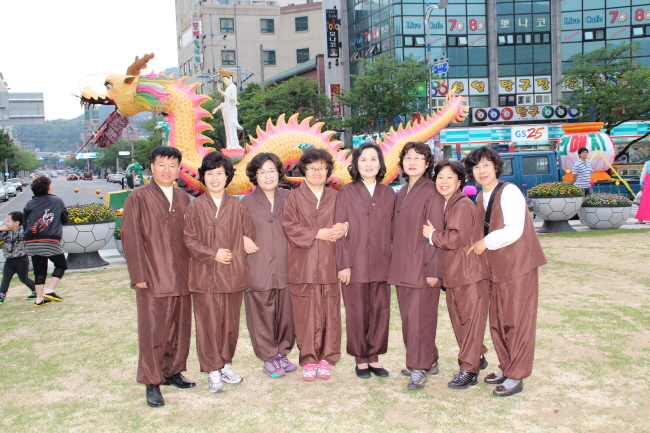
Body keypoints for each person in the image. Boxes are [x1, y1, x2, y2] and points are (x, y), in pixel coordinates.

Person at [465, 146, 547, 397]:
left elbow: (514, 229)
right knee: (499, 321)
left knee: (517, 321)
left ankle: (517, 374)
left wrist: (484, 243)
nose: (482, 171)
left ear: (496, 167)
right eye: (476, 167)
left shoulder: (509, 191)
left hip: (518, 266)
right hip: (497, 269)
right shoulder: (481, 197)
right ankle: (507, 367)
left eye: (486, 165)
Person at [122, 146, 195, 408]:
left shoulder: (185, 198)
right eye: (161, 164)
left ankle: (173, 371)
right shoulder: (138, 197)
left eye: (172, 165)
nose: (167, 170)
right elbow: (131, 237)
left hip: (183, 276)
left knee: (180, 328)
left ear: (178, 169)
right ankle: (152, 381)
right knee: (153, 331)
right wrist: (139, 274)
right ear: (151, 167)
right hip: (153, 276)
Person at [184, 151, 255, 393]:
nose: (215, 178)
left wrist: (243, 239)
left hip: (233, 275)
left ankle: (225, 364)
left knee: (230, 325)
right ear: (203, 177)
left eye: (220, 173)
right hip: (204, 276)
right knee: (208, 325)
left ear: (227, 177)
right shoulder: (195, 207)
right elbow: (189, 240)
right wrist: (212, 254)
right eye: (210, 174)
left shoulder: (237, 206)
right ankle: (212, 369)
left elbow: (249, 234)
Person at [422, 161, 490, 389]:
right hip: (456, 275)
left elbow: (455, 239)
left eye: (450, 177)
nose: (444, 181)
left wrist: (432, 234)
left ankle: (469, 369)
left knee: (468, 323)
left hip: (469, 275)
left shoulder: (462, 205)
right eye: (440, 177)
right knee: (461, 322)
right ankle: (477, 356)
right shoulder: (449, 203)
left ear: (459, 181)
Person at [281, 146, 346, 381]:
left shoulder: (336, 197)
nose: (317, 172)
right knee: (304, 313)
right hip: (303, 265)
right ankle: (308, 359)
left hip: (330, 263)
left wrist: (345, 227)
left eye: (321, 168)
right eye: (311, 168)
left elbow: (346, 223)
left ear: (328, 170)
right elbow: (290, 227)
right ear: (303, 170)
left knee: (330, 312)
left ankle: (328, 358)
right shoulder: (293, 198)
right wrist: (318, 233)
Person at [334, 142, 395, 379]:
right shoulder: (346, 193)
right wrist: (344, 264)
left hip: (382, 264)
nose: (368, 164)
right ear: (356, 164)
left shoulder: (388, 193)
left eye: (373, 159)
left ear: (380, 164)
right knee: (357, 313)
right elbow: (339, 230)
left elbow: (394, 231)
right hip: (355, 264)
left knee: (380, 312)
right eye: (363, 159)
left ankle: (374, 357)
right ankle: (361, 359)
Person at [387, 142, 445, 391]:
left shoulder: (431, 191)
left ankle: (418, 367)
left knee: (421, 319)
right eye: (408, 157)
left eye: (419, 158)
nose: (412, 162)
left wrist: (433, 269)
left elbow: (435, 232)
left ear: (428, 163)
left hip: (423, 267)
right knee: (410, 318)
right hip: (403, 266)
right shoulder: (402, 191)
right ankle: (428, 360)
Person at [241, 152, 297, 379]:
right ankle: (268, 357)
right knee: (261, 314)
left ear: (279, 172)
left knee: (286, 314)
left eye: (271, 170)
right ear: (254, 175)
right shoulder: (245, 202)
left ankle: (282, 353)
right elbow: (231, 229)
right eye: (262, 171)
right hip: (259, 266)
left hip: (286, 266)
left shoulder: (290, 197)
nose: (267, 176)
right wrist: (240, 239)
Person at [23, 175, 68, 307]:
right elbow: (64, 218)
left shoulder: (29, 203)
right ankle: (50, 290)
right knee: (61, 265)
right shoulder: (56, 201)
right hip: (49, 239)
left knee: (39, 270)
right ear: (47, 187)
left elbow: (25, 223)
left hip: (31, 241)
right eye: (51, 185)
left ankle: (39, 299)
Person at [0, 211, 36, 304]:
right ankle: (1, 296)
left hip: (21, 259)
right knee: (6, 278)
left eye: (8, 221)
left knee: (23, 278)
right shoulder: (4, 232)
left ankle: (35, 290)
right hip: (9, 260)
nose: (6, 223)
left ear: (16, 223)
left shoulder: (23, 232)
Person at [212, 70, 243, 150]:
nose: (224, 82)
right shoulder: (228, 88)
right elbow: (225, 103)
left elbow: (233, 99)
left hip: (231, 111)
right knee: (228, 129)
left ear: (230, 79)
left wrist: (222, 92)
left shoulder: (233, 87)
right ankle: (230, 145)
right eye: (224, 80)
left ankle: (234, 145)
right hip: (227, 112)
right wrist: (217, 108)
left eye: (225, 80)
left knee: (232, 129)